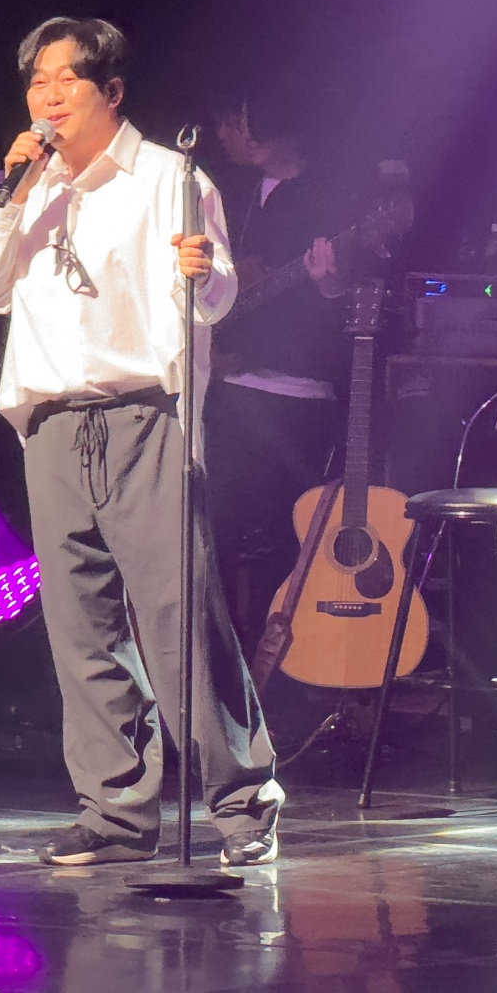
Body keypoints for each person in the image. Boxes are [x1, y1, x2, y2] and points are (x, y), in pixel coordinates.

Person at [0, 17, 285, 868]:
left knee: (180, 620)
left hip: (145, 416)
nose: (48, 97)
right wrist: (12, 197)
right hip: (50, 423)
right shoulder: (33, 188)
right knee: (82, 630)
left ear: (110, 91)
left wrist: (204, 273)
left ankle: (243, 805)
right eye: (37, 82)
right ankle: (114, 814)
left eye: (65, 80)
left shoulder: (170, 179)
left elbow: (215, 296)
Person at [206, 86, 349, 636]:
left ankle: (283, 656)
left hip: (298, 393)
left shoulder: (330, 196)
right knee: (215, 526)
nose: (230, 133)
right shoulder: (228, 192)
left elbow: (351, 300)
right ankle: (221, 654)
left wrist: (331, 285)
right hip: (230, 381)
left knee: (287, 533)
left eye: (240, 120)